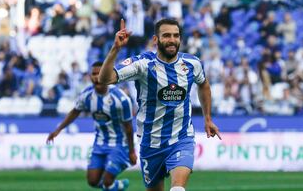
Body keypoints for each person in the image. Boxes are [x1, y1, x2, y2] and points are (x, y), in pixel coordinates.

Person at [98, 18, 221, 191]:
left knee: (178, 188)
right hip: (151, 143)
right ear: (156, 40)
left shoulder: (192, 63)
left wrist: (208, 118)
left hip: (182, 138)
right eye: (167, 35)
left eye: (176, 35)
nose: (172, 40)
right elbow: (104, 79)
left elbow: (204, 84)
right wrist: (115, 49)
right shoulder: (142, 64)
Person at [46, 61, 137, 191]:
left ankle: (110, 184)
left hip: (119, 144)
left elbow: (128, 127)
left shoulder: (121, 99)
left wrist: (132, 151)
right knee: (93, 181)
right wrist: (58, 130)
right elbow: (75, 112)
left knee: (106, 180)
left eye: (100, 73)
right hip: (99, 143)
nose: (96, 77)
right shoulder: (87, 95)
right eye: (94, 74)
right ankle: (118, 186)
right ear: (90, 76)